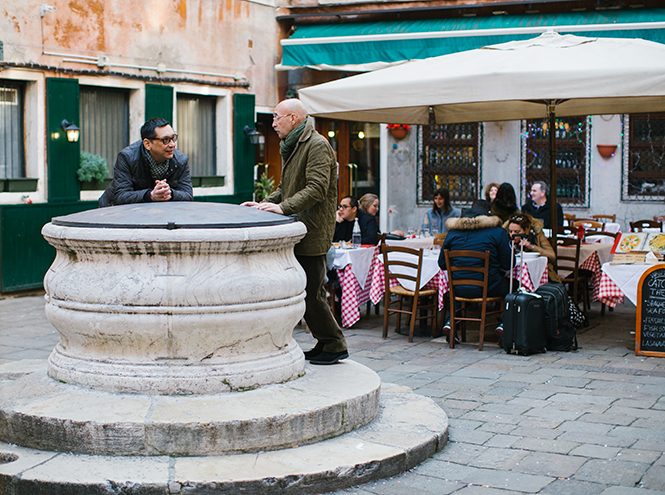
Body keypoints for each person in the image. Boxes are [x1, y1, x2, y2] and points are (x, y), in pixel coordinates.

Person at [241, 98, 348, 366]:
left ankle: (335, 344)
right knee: (306, 292)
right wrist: (266, 204)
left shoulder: (317, 145)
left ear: (294, 118)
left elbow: (316, 188)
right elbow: (286, 187)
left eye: (277, 117)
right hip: (299, 228)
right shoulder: (293, 145)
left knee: (310, 293)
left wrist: (283, 206)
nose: (273, 123)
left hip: (312, 230)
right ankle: (325, 342)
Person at [438, 208, 512, 339]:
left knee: (465, 284)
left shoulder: (453, 233)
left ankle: (451, 322)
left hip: (458, 288)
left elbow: (442, 263)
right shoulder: (498, 232)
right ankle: (504, 324)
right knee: (514, 286)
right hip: (488, 288)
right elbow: (508, 264)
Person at [99, 118, 193, 207]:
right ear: (147, 144)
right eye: (165, 140)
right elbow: (121, 196)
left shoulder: (181, 160)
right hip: (114, 212)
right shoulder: (127, 157)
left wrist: (169, 193)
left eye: (173, 138)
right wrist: (150, 195)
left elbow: (188, 196)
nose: (172, 144)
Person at [504, 213, 561, 284]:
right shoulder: (505, 237)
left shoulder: (536, 235)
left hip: (538, 272)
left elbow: (552, 256)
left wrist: (532, 247)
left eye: (517, 232)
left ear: (526, 230)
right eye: (510, 231)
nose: (512, 234)